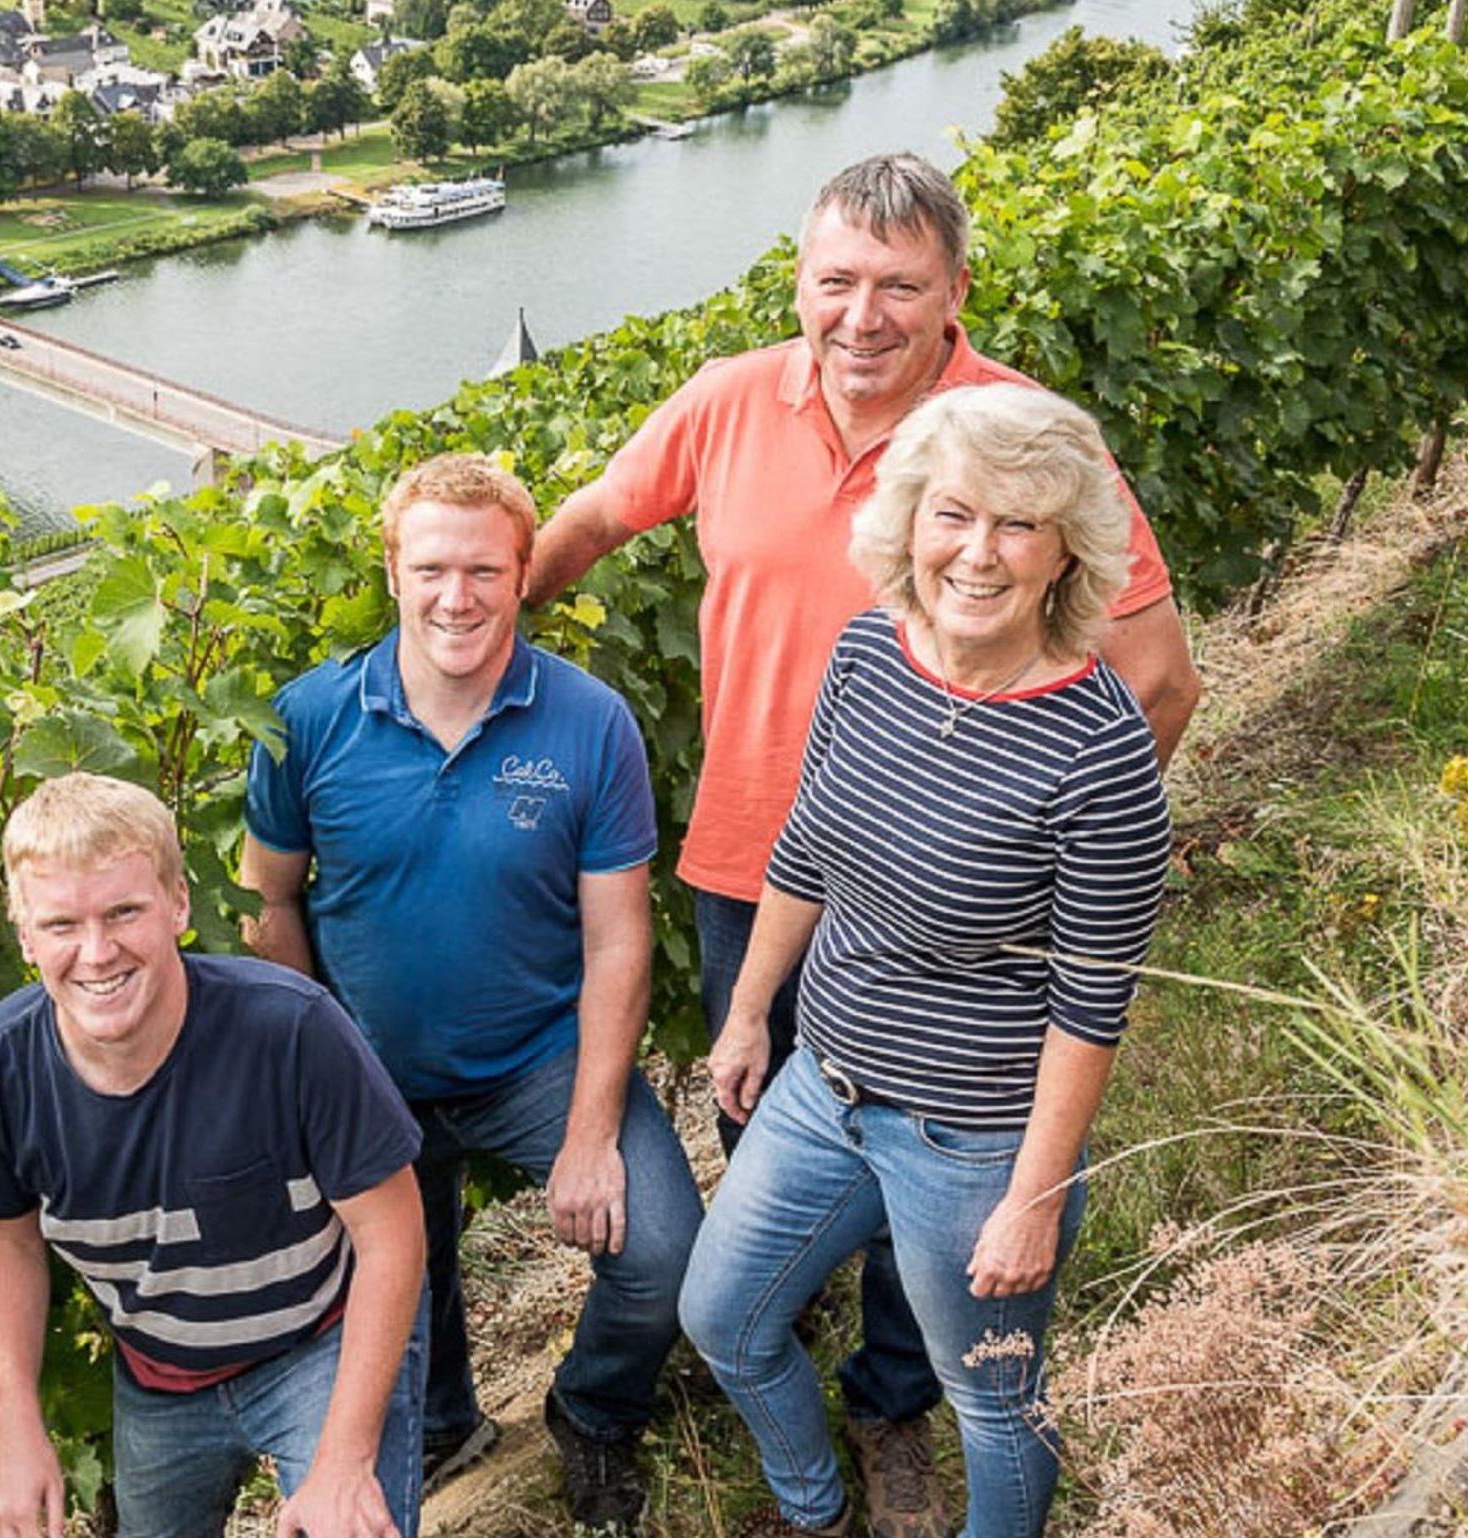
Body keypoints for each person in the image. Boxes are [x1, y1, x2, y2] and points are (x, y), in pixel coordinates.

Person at [523, 151, 1200, 1538]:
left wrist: (1015, 851)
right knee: (780, 1124)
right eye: (836, 281)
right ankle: (792, 1337)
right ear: (798, 283)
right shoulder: (727, 402)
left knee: (934, 1195)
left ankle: (896, 1397)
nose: (862, 314)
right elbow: (588, 519)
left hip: (965, 915)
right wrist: (474, 639)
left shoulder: (1016, 443)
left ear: (956, 291)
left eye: (899, 285)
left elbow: (1160, 679)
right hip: (759, 867)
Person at [678, 383, 1174, 1538]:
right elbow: (806, 843)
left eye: (1017, 523)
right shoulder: (866, 651)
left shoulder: (1098, 754)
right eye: (953, 513)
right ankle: (813, 1510)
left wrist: (1030, 1199)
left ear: (1064, 552)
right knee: (723, 1316)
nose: (978, 552)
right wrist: (749, 1011)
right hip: (821, 1087)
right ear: (909, 521)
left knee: (992, 1400)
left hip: (973, 1139)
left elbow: (1088, 1004)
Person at [241, 454, 704, 1533]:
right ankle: (446, 1420)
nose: (458, 597)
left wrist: (589, 1131)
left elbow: (618, 939)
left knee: (664, 1252)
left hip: (538, 1060)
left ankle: (593, 1408)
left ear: (522, 573)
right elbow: (269, 904)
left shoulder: (589, 722)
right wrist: (312, 1080)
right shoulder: (308, 719)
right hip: (366, 1071)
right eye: (433, 569)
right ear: (392, 572)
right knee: (400, 1276)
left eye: (485, 571)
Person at [0, 773, 428, 1538]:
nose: (96, 952)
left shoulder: (292, 1031)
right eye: (62, 924)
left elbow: (392, 1235)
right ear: (25, 936)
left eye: (124, 912)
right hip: (160, 1379)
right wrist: (13, 1420)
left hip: (323, 1342)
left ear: (178, 904)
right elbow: (5, 1236)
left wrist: (344, 1458)